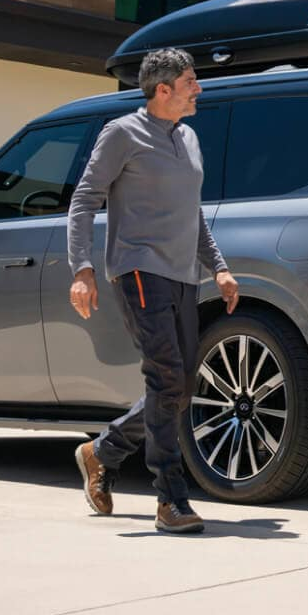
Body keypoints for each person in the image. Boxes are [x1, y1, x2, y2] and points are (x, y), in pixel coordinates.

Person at [68, 48, 240, 534]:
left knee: (178, 388)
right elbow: (84, 200)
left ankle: (102, 452)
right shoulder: (122, 133)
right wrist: (82, 269)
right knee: (167, 380)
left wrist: (218, 267)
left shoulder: (188, 137)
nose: (198, 89)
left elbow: (191, 212)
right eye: (190, 82)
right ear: (162, 90)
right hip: (139, 269)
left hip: (183, 275)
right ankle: (170, 499)